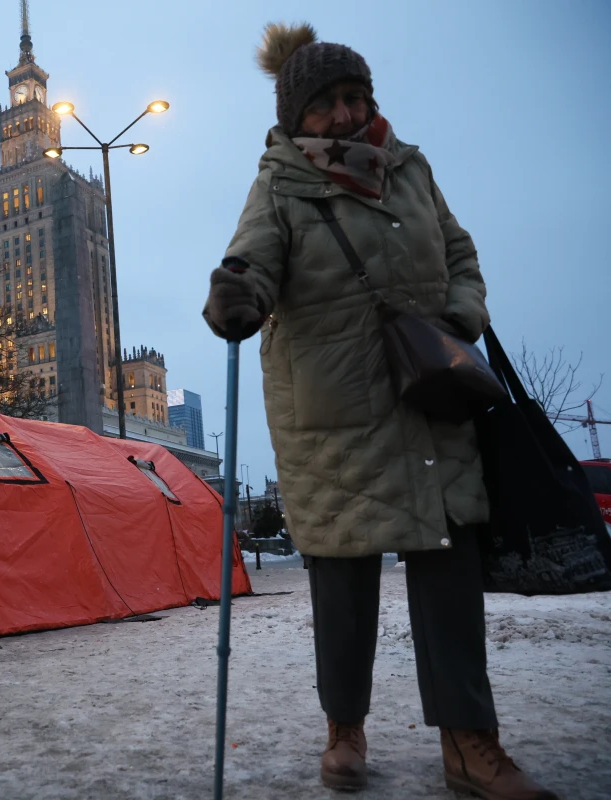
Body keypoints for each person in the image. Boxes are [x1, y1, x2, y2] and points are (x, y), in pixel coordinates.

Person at [202, 23, 557, 800]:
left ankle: (470, 742)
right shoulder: (280, 183)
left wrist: (460, 316)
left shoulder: (410, 168)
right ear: (296, 116)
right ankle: (345, 729)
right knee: (343, 577)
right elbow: (254, 257)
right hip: (332, 412)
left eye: (353, 97)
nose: (343, 114)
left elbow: (460, 254)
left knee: (447, 565)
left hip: (430, 394)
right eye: (324, 103)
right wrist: (238, 292)